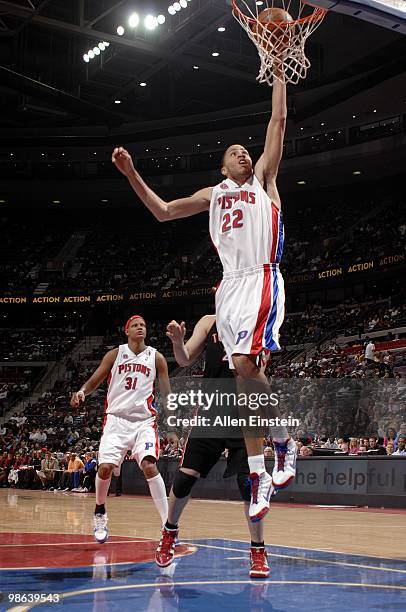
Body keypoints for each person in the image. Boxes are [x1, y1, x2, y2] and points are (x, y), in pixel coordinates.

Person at [112, 70, 296, 522]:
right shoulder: (214, 195)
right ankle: (261, 472)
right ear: (222, 167)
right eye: (234, 152)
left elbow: (278, 120)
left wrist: (278, 71)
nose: (243, 154)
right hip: (228, 287)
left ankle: (283, 443)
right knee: (242, 379)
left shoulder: (264, 182)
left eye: (246, 151)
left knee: (248, 369)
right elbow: (163, 212)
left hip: (260, 277)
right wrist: (131, 173)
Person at [156, 315, 272, 578]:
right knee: (185, 478)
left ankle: (257, 550)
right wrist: (177, 341)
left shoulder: (259, 317)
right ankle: (169, 532)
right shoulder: (210, 321)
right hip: (212, 409)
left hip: (246, 410)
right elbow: (184, 358)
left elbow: (260, 369)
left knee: (248, 484)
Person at [71, 315, 178, 543]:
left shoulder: (157, 358)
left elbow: (167, 394)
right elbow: (95, 380)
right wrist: (82, 392)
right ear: (126, 330)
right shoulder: (115, 354)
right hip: (116, 420)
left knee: (149, 465)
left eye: (143, 325)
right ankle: (100, 510)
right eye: (136, 325)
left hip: (143, 421)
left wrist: (171, 426)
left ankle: (167, 527)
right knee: (106, 468)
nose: (140, 328)